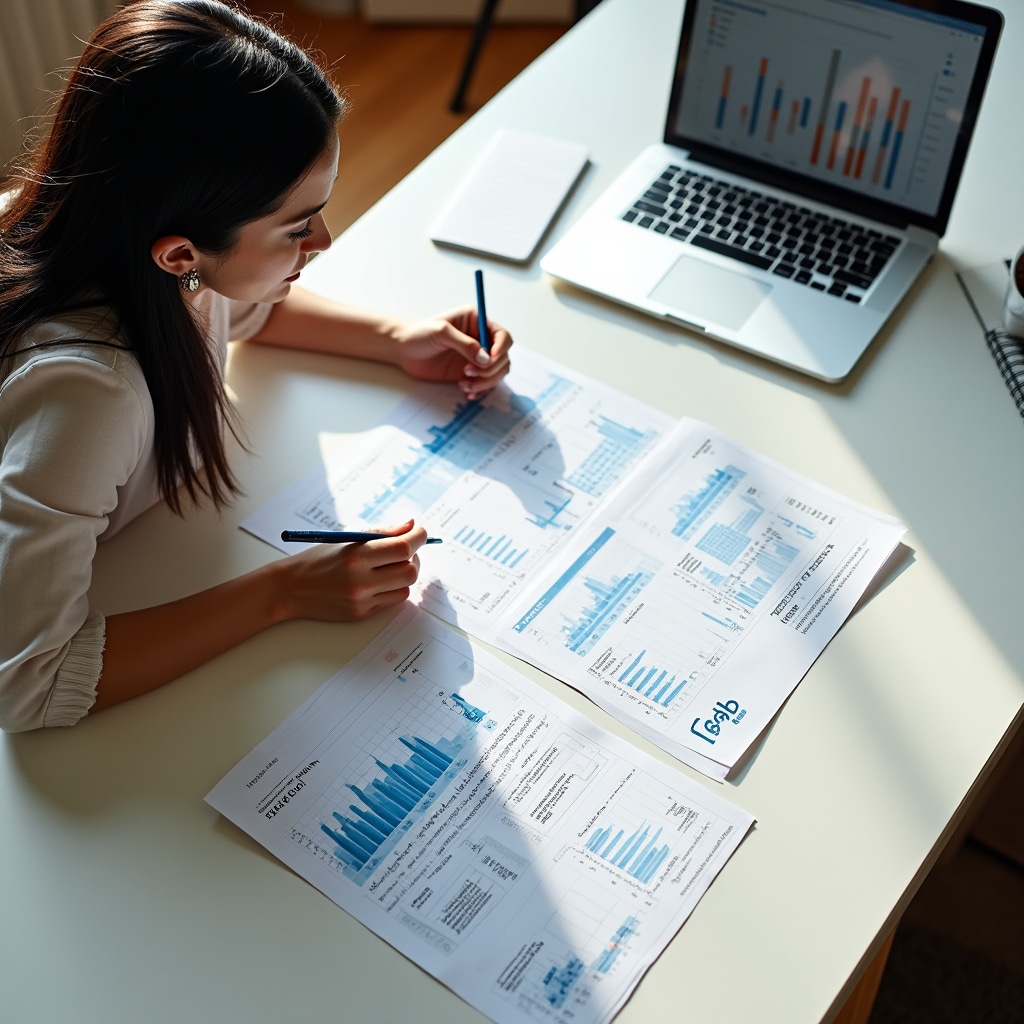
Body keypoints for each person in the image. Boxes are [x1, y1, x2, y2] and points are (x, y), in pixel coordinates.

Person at [0, 0, 512, 732]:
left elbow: (244, 304)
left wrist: (398, 337)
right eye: (299, 227)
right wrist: (284, 594)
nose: (326, 240)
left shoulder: (130, 241)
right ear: (180, 254)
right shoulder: (89, 395)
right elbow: (28, 685)